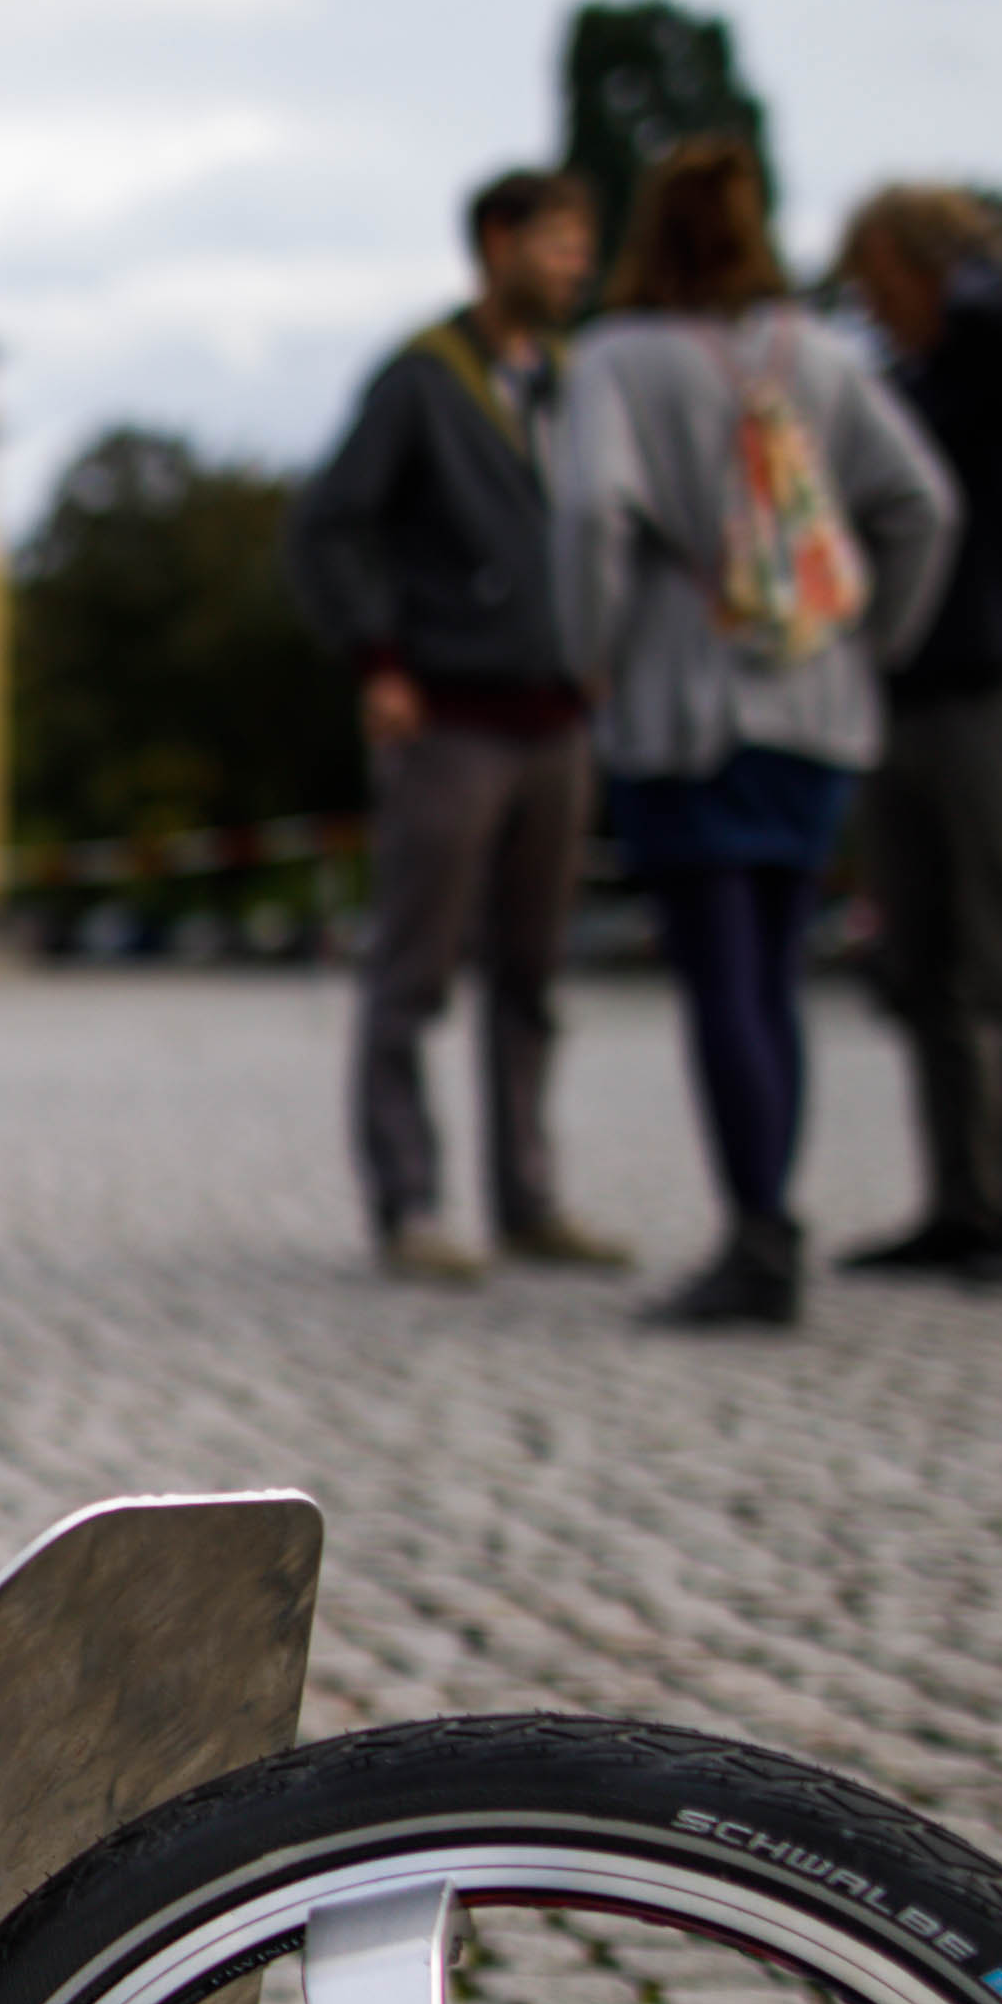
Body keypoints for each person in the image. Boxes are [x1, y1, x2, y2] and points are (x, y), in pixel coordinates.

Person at [554, 136, 957, 1331]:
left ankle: (758, 1230)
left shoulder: (619, 361)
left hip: (691, 700)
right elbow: (923, 505)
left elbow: (587, 511)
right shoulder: (822, 356)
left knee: (722, 973)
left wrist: (596, 652)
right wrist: (870, 638)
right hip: (816, 702)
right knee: (775, 976)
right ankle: (769, 1213)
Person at [281, 167, 630, 1285]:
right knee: (415, 965)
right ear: (498, 241)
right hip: (451, 713)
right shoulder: (424, 383)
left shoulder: (581, 382)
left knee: (532, 972)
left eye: (586, 243)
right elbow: (328, 526)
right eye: (560, 241)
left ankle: (528, 1197)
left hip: (555, 715)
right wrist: (376, 657)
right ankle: (409, 1198)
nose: (577, 262)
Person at [831, 186, 1002, 1288]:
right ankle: (962, 1198)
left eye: (880, 281)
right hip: (900, 693)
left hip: (997, 688)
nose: (869, 305)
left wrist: (977, 282)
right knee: (922, 967)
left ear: (927, 269)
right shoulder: (903, 389)